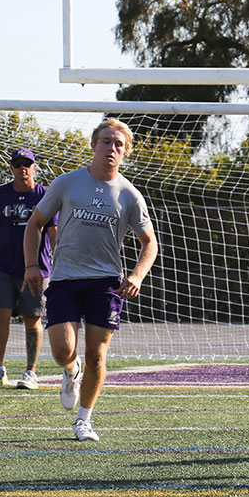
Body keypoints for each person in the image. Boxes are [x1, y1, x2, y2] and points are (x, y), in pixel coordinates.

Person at [22, 119, 157, 442]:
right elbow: (35, 224)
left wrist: (137, 275)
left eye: (119, 144)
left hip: (106, 283)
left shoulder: (129, 195)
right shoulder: (67, 183)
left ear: (125, 152)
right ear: (94, 145)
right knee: (61, 350)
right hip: (65, 279)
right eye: (106, 141)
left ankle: (84, 420)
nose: (112, 148)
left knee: (97, 354)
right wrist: (31, 265)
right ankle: (71, 371)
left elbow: (149, 242)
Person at [0, 148, 57, 390]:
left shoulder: (46, 194)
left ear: (34, 167)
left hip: (36, 268)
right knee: (0, 314)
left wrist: (61, 262)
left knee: (32, 319)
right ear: (11, 168)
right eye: (18, 164)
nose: (23, 167)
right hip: (2, 266)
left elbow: (53, 232)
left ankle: (31, 371)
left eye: (27, 164)